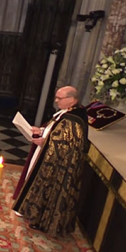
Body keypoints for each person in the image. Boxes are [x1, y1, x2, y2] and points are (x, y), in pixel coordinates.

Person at [12, 86, 89, 237]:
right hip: (47, 154)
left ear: (72, 100)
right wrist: (41, 131)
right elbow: (56, 130)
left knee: (51, 188)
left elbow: (68, 145)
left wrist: (45, 141)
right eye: (56, 97)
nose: (56, 101)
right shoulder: (68, 113)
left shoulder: (74, 120)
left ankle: (45, 221)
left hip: (59, 165)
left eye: (60, 98)